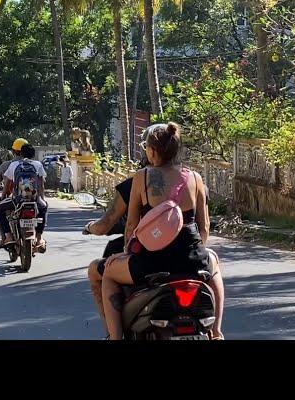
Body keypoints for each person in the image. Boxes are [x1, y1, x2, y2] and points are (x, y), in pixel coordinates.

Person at [92, 123, 224, 340]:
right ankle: (217, 332)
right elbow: (205, 226)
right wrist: (195, 253)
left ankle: (115, 337)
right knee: (215, 265)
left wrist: (128, 253)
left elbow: (131, 225)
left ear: (152, 150)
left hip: (151, 262)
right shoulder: (195, 178)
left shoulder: (142, 177)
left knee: (108, 275)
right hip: (192, 260)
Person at [0, 143, 48, 252]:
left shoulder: (13, 165)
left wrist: (3, 197)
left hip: (17, 201)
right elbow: (41, 184)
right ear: (33, 155)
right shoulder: (38, 164)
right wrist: (41, 198)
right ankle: (39, 238)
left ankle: (7, 236)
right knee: (44, 207)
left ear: (20, 154)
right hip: (34, 200)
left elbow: (7, 183)